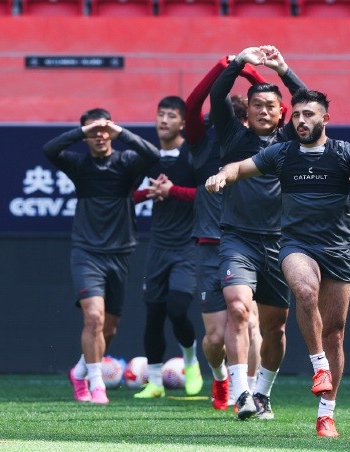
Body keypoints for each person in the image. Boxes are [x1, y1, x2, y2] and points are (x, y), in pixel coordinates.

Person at [205, 88, 350, 437]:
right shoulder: (282, 153)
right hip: (295, 245)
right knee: (305, 291)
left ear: (325, 119)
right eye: (296, 115)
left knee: (335, 333)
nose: (301, 121)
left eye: (308, 114)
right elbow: (239, 167)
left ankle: (326, 415)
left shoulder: (347, 152)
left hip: (336, 250)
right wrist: (223, 175)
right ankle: (318, 366)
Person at [209, 45, 305, 420]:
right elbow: (218, 92)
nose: (264, 111)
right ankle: (241, 393)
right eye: (257, 106)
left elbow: (309, 102)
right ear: (246, 112)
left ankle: (262, 393)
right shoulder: (233, 137)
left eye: (270, 107)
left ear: (282, 113)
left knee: (275, 327)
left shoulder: (290, 141)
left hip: (281, 244)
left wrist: (283, 69)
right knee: (237, 308)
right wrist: (239, 62)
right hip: (238, 240)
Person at [43, 108, 160, 405]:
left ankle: (79, 371)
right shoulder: (79, 165)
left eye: (103, 130)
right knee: (93, 317)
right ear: (85, 136)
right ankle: (96, 385)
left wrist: (120, 131)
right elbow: (50, 149)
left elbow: (152, 154)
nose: (99, 135)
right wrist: (83, 130)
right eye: (92, 131)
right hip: (87, 252)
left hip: (120, 254)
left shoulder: (126, 162)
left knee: (109, 328)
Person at [184, 56, 267, 411]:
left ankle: (248, 393)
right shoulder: (203, 145)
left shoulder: (258, 145)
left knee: (249, 320)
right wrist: (229, 66)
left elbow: (272, 102)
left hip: (249, 243)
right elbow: (192, 105)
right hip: (209, 246)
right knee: (215, 337)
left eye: (242, 117)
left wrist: (251, 71)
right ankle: (220, 377)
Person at [132, 96, 203, 399]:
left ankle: (191, 360)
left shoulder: (194, 155)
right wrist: (149, 193)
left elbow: (206, 194)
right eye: (160, 114)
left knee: (177, 308)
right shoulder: (148, 157)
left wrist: (172, 191)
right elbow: (126, 197)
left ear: (183, 122)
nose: (164, 120)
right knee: (154, 314)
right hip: (158, 247)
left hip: (187, 246)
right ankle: (155, 383)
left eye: (171, 115)